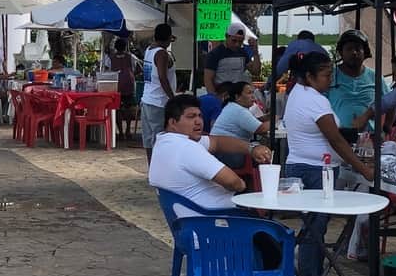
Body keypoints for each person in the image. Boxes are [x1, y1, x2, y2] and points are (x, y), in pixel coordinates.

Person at [284, 51, 376, 276]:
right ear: (310, 77)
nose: (330, 81)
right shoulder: (315, 101)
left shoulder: (298, 93)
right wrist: (363, 168)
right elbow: (334, 139)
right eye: (325, 76)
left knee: (314, 228)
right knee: (315, 229)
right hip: (314, 170)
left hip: (304, 166)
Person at [148, 93, 274, 213]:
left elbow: (217, 142)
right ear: (173, 123)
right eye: (191, 117)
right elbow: (233, 182)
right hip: (218, 219)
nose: (198, 121)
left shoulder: (164, 142)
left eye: (199, 116)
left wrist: (251, 148)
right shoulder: (187, 148)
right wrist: (242, 186)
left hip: (190, 219)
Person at [327, 29, 388, 131]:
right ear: (341, 52)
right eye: (349, 49)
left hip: (369, 140)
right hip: (338, 138)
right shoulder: (330, 75)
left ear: (365, 53)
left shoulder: (375, 77)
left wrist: (386, 128)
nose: (354, 53)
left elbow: (390, 103)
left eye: (358, 49)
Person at [141, 23, 177, 161]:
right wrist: (172, 97)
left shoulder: (149, 49)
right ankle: (159, 169)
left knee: (149, 139)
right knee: (159, 138)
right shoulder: (161, 53)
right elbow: (163, 77)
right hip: (159, 102)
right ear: (168, 38)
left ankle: (152, 169)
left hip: (147, 99)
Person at [203, 21, 261, 94]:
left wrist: (255, 52)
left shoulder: (242, 52)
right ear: (227, 36)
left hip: (240, 94)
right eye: (234, 40)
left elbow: (256, 72)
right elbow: (208, 79)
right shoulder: (215, 54)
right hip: (224, 94)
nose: (237, 44)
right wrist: (214, 99)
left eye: (240, 41)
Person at [103, 38, 139, 140]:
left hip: (116, 85)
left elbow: (106, 71)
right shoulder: (131, 57)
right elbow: (137, 68)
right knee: (128, 108)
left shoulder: (110, 58)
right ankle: (128, 130)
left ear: (115, 47)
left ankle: (120, 132)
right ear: (125, 47)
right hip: (129, 84)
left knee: (117, 109)